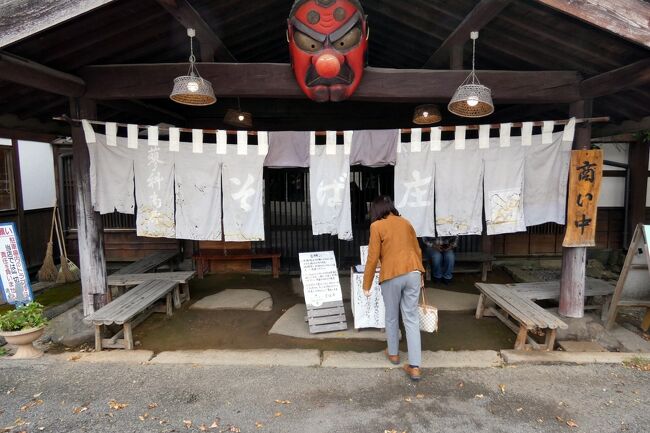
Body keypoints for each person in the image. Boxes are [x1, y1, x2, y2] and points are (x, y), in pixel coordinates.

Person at [363, 195, 425, 381]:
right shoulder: (406, 223)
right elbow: (417, 250)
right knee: (411, 318)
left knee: (391, 315)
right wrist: (421, 274)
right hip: (413, 272)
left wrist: (366, 284)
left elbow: (373, 257)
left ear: (376, 210)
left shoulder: (376, 226)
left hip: (391, 274)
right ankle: (415, 366)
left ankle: (393, 354)